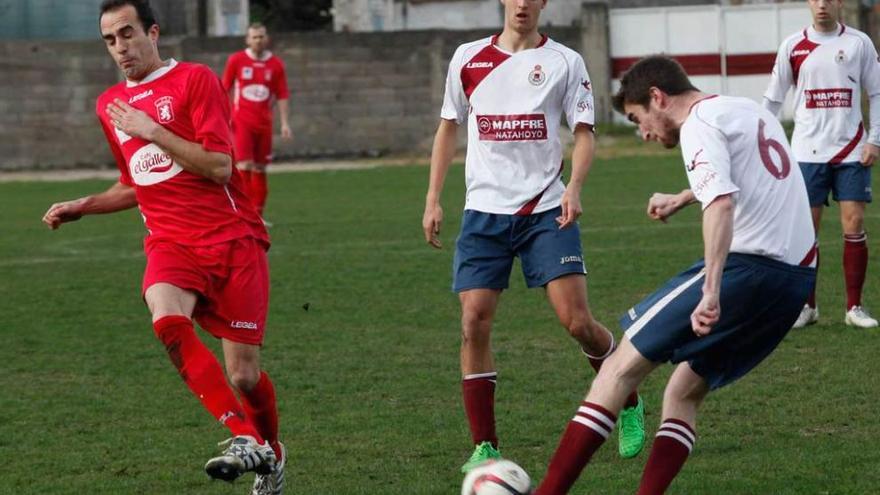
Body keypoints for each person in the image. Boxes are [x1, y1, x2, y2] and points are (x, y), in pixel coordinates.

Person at [531, 56, 817, 495]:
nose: (643, 133)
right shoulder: (747, 109)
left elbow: (721, 203)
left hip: (750, 269)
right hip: (795, 282)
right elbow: (759, 176)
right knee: (682, 392)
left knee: (618, 368)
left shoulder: (699, 122)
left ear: (658, 98)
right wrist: (685, 196)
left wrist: (711, 289)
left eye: (637, 119)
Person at [41, 2, 285, 493]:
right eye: (109, 40)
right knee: (165, 317)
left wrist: (153, 129)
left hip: (232, 240)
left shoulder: (195, 80)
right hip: (171, 242)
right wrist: (84, 204)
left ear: (152, 32)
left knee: (243, 376)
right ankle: (242, 435)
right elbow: (138, 183)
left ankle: (271, 455)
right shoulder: (110, 106)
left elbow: (218, 166)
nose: (120, 47)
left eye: (127, 33)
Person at [421, 0, 646, 473]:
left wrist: (577, 188)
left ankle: (626, 399)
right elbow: (447, 128)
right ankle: (484, 446)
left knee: (577, 323)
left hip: (546, 210)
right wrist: (433, 197)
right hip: (484, 214)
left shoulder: (565, 61)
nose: (522, 3)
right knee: (473, 322)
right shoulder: (467, 58)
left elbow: (584, 133)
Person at [763, 0, 880, 329]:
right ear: (808, 4)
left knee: (853, 224)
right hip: (805, 153)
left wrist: (875, 139)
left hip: (852, 151)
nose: (822, 4)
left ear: (839, 3)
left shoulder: (859, 43)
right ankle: (807, 307)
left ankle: (854, 307)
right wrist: (757, 138)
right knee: (805, 232)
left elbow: (878, 92)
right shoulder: (792, 45)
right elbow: (773, 99)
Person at [222, 22, 291, 226]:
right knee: (244, 165)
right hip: (241, 121)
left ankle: (257, 215)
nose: (258, 40)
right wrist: (223, 116)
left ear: (266, 38)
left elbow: (282, 94)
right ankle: (243, 213)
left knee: (260, 168)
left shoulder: (276, 65)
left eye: (261, 36)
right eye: (254, 37)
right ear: (247, 39)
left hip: (265, 123)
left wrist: (285, 123)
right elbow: (224, 88)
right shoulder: (237, 60)